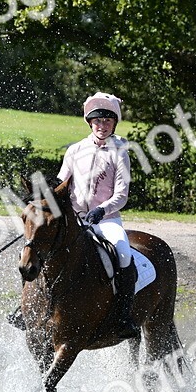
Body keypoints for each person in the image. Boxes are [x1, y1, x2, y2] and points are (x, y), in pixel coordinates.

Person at [56, 92, 139, 339]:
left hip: (106, 220)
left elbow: (122, 194)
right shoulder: (75, 150)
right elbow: (62, 183)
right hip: (76, 219)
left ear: (114, 123)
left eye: (107, 121)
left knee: (123, 253)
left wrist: (102, 210)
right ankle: (29, 308)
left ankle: (123, 315)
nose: (102, 126)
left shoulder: (120, 150)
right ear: (90, 123)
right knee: (45, 248)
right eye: (98, 121)